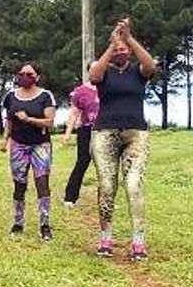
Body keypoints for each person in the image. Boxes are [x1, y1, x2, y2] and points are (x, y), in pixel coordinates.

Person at [88, 18, 155, 261]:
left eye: (122, 50)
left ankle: (138, 241)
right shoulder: (103, 71)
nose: (120, 52)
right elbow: (94, 74)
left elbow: (150, 65)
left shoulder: (138, 72)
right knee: (107, 186)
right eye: (116, 50)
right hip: (105, 133)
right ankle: (105, 237)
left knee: (134, 185)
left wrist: (128, 39)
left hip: (135, 133)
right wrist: (112, 44)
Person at [0, 63, 57, 241]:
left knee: (42, 183)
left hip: (40, 145)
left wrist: (29, 119)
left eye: (29, 73)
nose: (25, 76)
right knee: (19, 184)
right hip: (18, 145)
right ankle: (18, 222)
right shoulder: (11, 96)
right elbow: (9, 121)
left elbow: (49, 122)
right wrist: (5, 139)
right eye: (21, 73)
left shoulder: (45, 96)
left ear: (37, 77)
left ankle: (44, 224)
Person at [62, 66, 100, 206]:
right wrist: (67, 133)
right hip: (86, 130)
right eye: (93, 70)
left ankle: (106, 198)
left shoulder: (109, 88)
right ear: (89, 72)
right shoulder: (81, 91)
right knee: (82, 162)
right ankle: (70, 198)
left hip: (106, 132)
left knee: (105, 166)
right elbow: (74, 113)